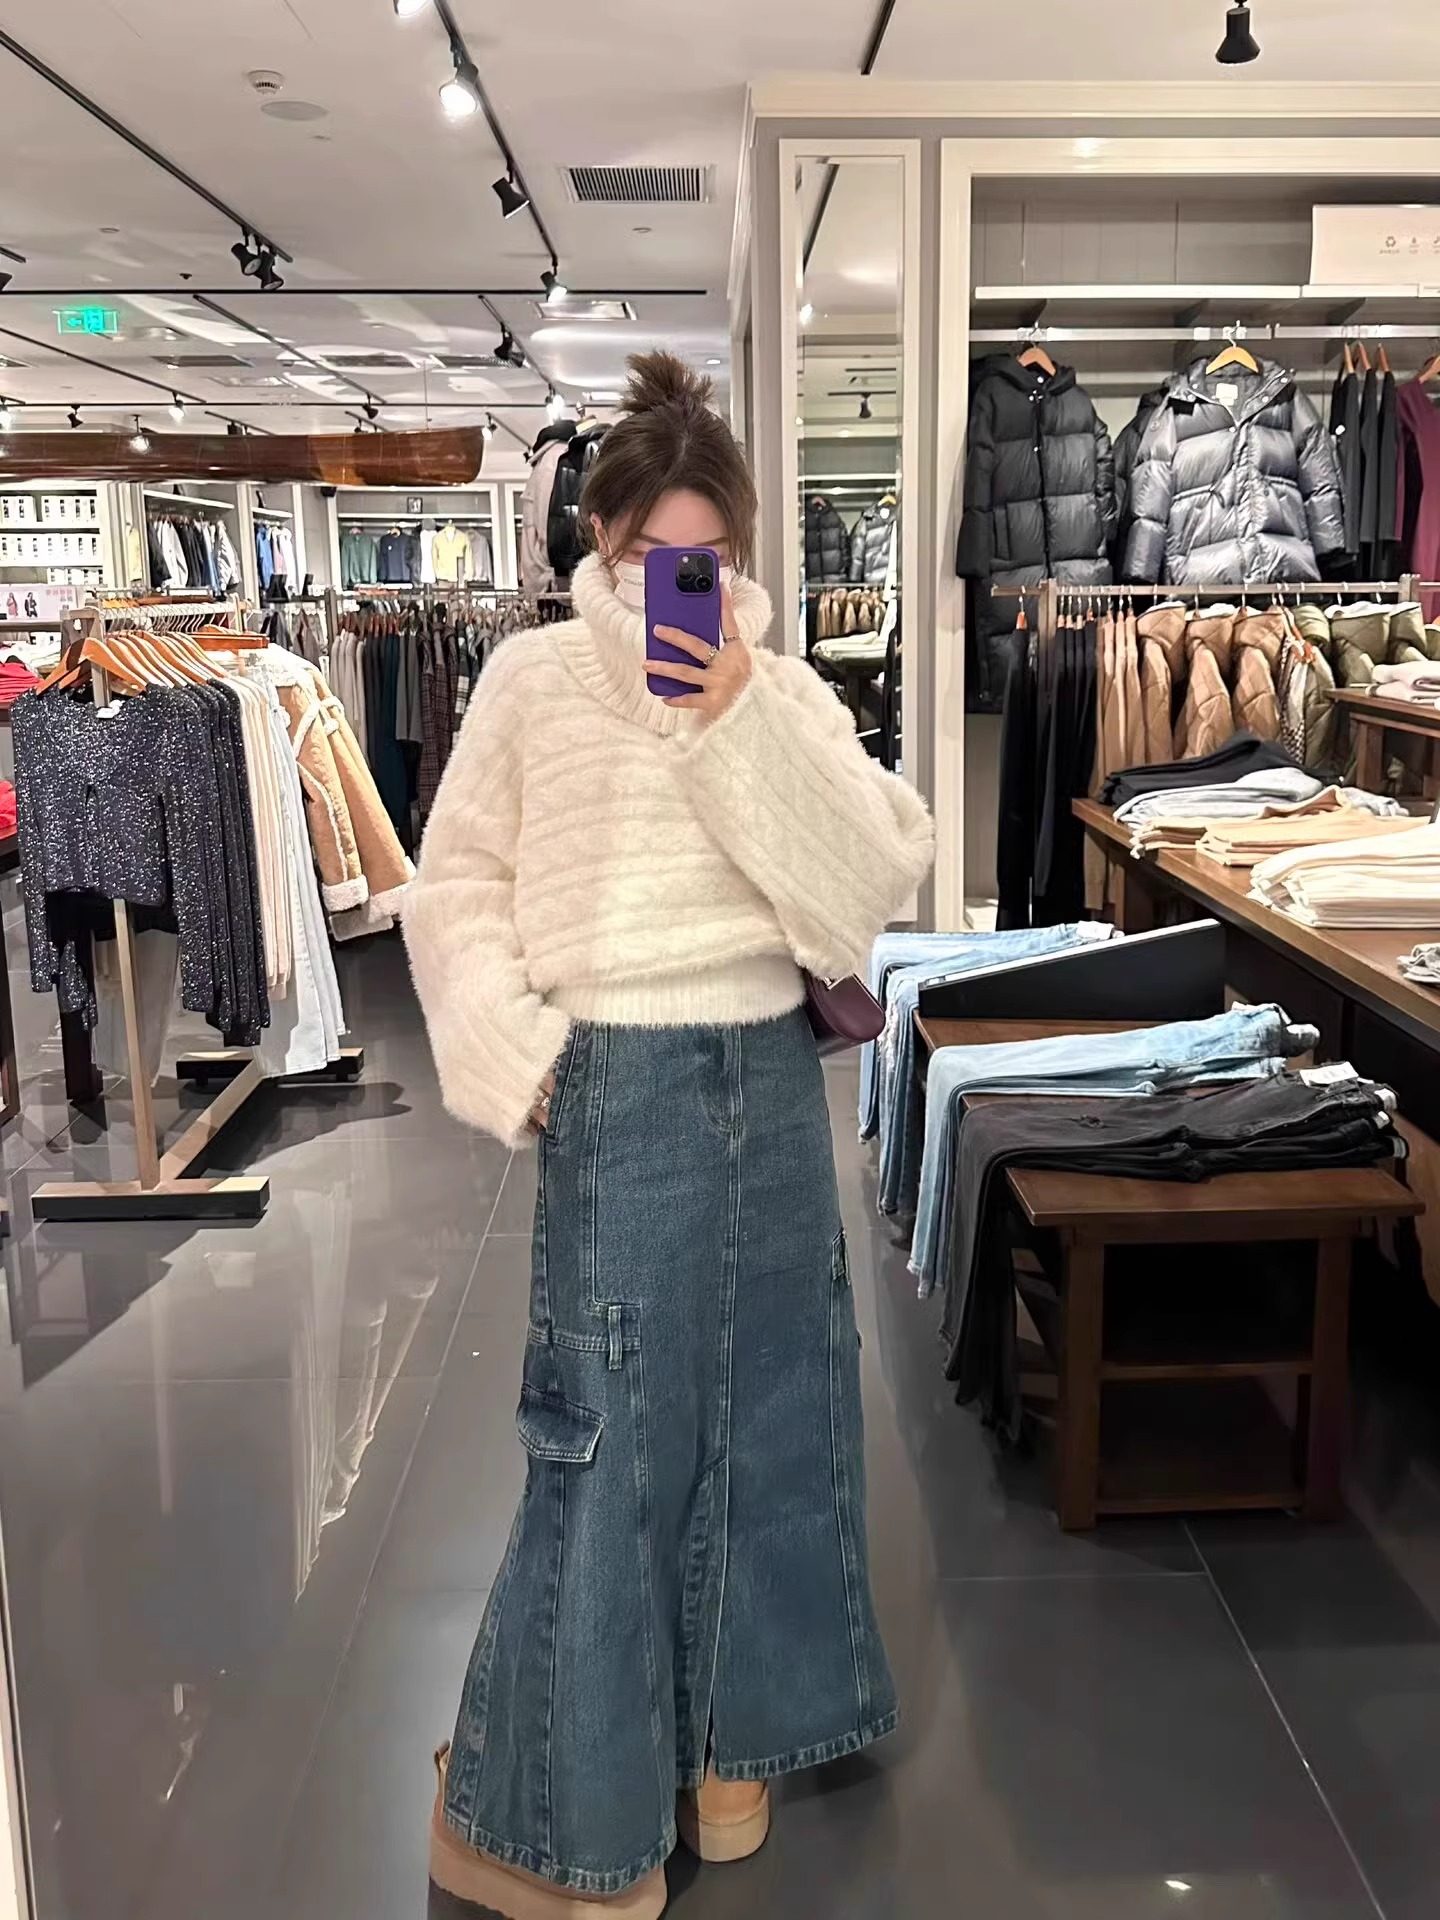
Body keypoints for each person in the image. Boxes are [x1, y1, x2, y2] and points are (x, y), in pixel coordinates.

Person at [405, 350, 935, 1918]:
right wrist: (522, 1056)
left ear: (741, 553)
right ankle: (570, 1827)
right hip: (616, 1078)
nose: (670, 589)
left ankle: (727, 1758)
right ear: (599, 536)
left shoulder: (785, 691)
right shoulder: (529, 681)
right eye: (646, 557)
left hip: (765, 1076)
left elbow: (865, 884)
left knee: (776, 1415)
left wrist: (733, 720)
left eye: (701, 559)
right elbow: (454, 884)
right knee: (610, 1439)